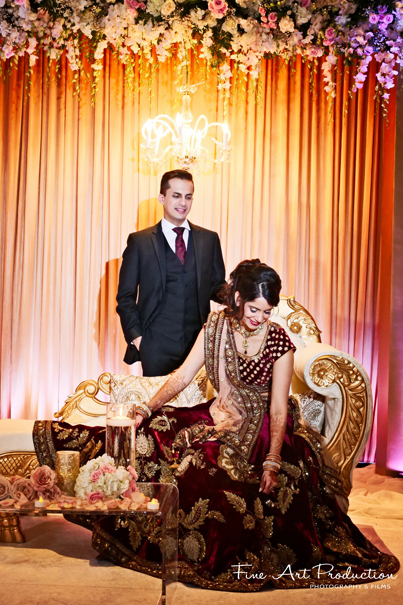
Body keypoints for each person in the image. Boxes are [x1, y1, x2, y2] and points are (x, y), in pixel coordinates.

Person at [88, 260, 398, 590]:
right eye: (254, 309)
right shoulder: (215, 327)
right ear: (237, 298)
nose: (259, 318)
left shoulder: (278, 341)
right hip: (219, 413)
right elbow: (182, 376)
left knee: (206, 468)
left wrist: (273, 460)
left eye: (267, 312)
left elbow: (278, 407)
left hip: (266, 422)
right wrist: (146, 409)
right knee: (153, 434)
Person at [116, 169, 226, 376]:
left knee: (196, 408)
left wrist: (240, 295)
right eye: (176, 196)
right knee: (159, 408)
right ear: (162, 198)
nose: (182, 203)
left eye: (188, 196)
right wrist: (139, 340)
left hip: (198, 345)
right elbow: (125, 297)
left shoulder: (209, 239)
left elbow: (216, 286)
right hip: (155, 346)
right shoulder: (140, 242)